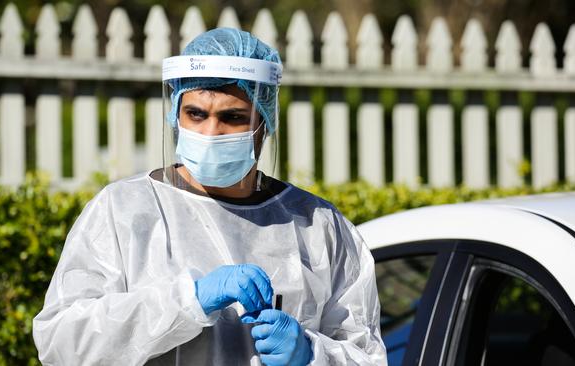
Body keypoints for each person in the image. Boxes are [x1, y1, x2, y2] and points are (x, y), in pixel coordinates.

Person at [33, 28, 387, 366]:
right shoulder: (124, 212)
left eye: (232, 117)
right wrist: (188, 300)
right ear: (175, 114)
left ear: (264, 122)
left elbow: (366, 354)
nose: (211, 132)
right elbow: (63, 345)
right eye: (196, 114)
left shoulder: (317, 226)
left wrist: (309, 353)